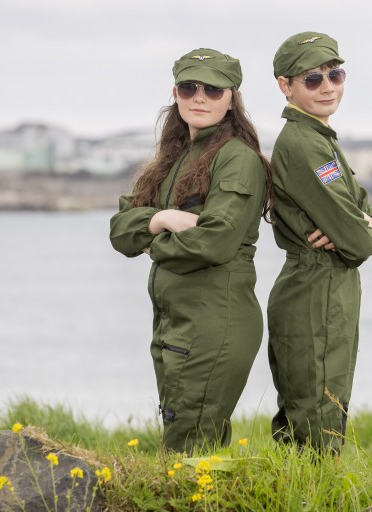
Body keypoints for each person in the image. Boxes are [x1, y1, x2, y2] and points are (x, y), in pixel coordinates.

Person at [109, 48, 272, 453]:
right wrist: (163, 218)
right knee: (185, 438)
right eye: (189, 87)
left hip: (213, 321)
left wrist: (151, 240)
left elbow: (214, 242)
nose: (199, 97)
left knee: (190, 444)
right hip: (174, 322)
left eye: (213, 89)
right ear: (176, 93)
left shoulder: (238, 159)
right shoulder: (173, 158)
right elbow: (119, 231)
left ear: (231, 97)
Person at [267, 32, 372, 452]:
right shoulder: (305, 145)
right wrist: (366, 229)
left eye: (335, 75)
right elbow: (357, 241)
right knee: (318, 420)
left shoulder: (319, 139)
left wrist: (369, 226)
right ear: (286, 86)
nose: (328, 87)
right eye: (312, 80)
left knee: (314, 411)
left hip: (324, 287)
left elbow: (368, 222)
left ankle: (299, 505)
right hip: (316, 287)